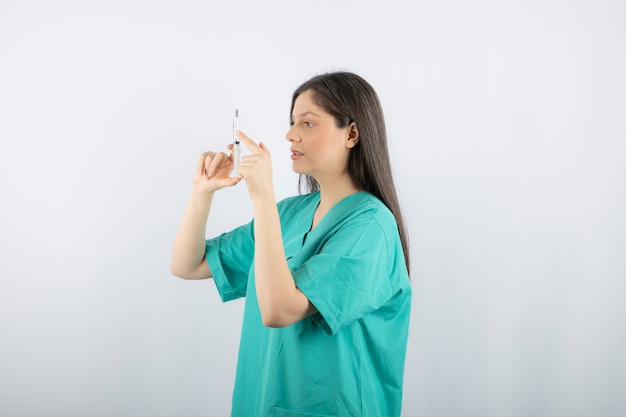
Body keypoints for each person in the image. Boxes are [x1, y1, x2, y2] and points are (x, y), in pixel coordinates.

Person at [171, 71, 411, 417]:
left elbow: (278, 309)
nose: (290, 134)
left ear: (352, 133)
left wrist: (262, 197)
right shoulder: (287, 214)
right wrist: (202, 192)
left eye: (308, 123)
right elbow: (187, 264)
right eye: (291, 121)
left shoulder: (371, 226)